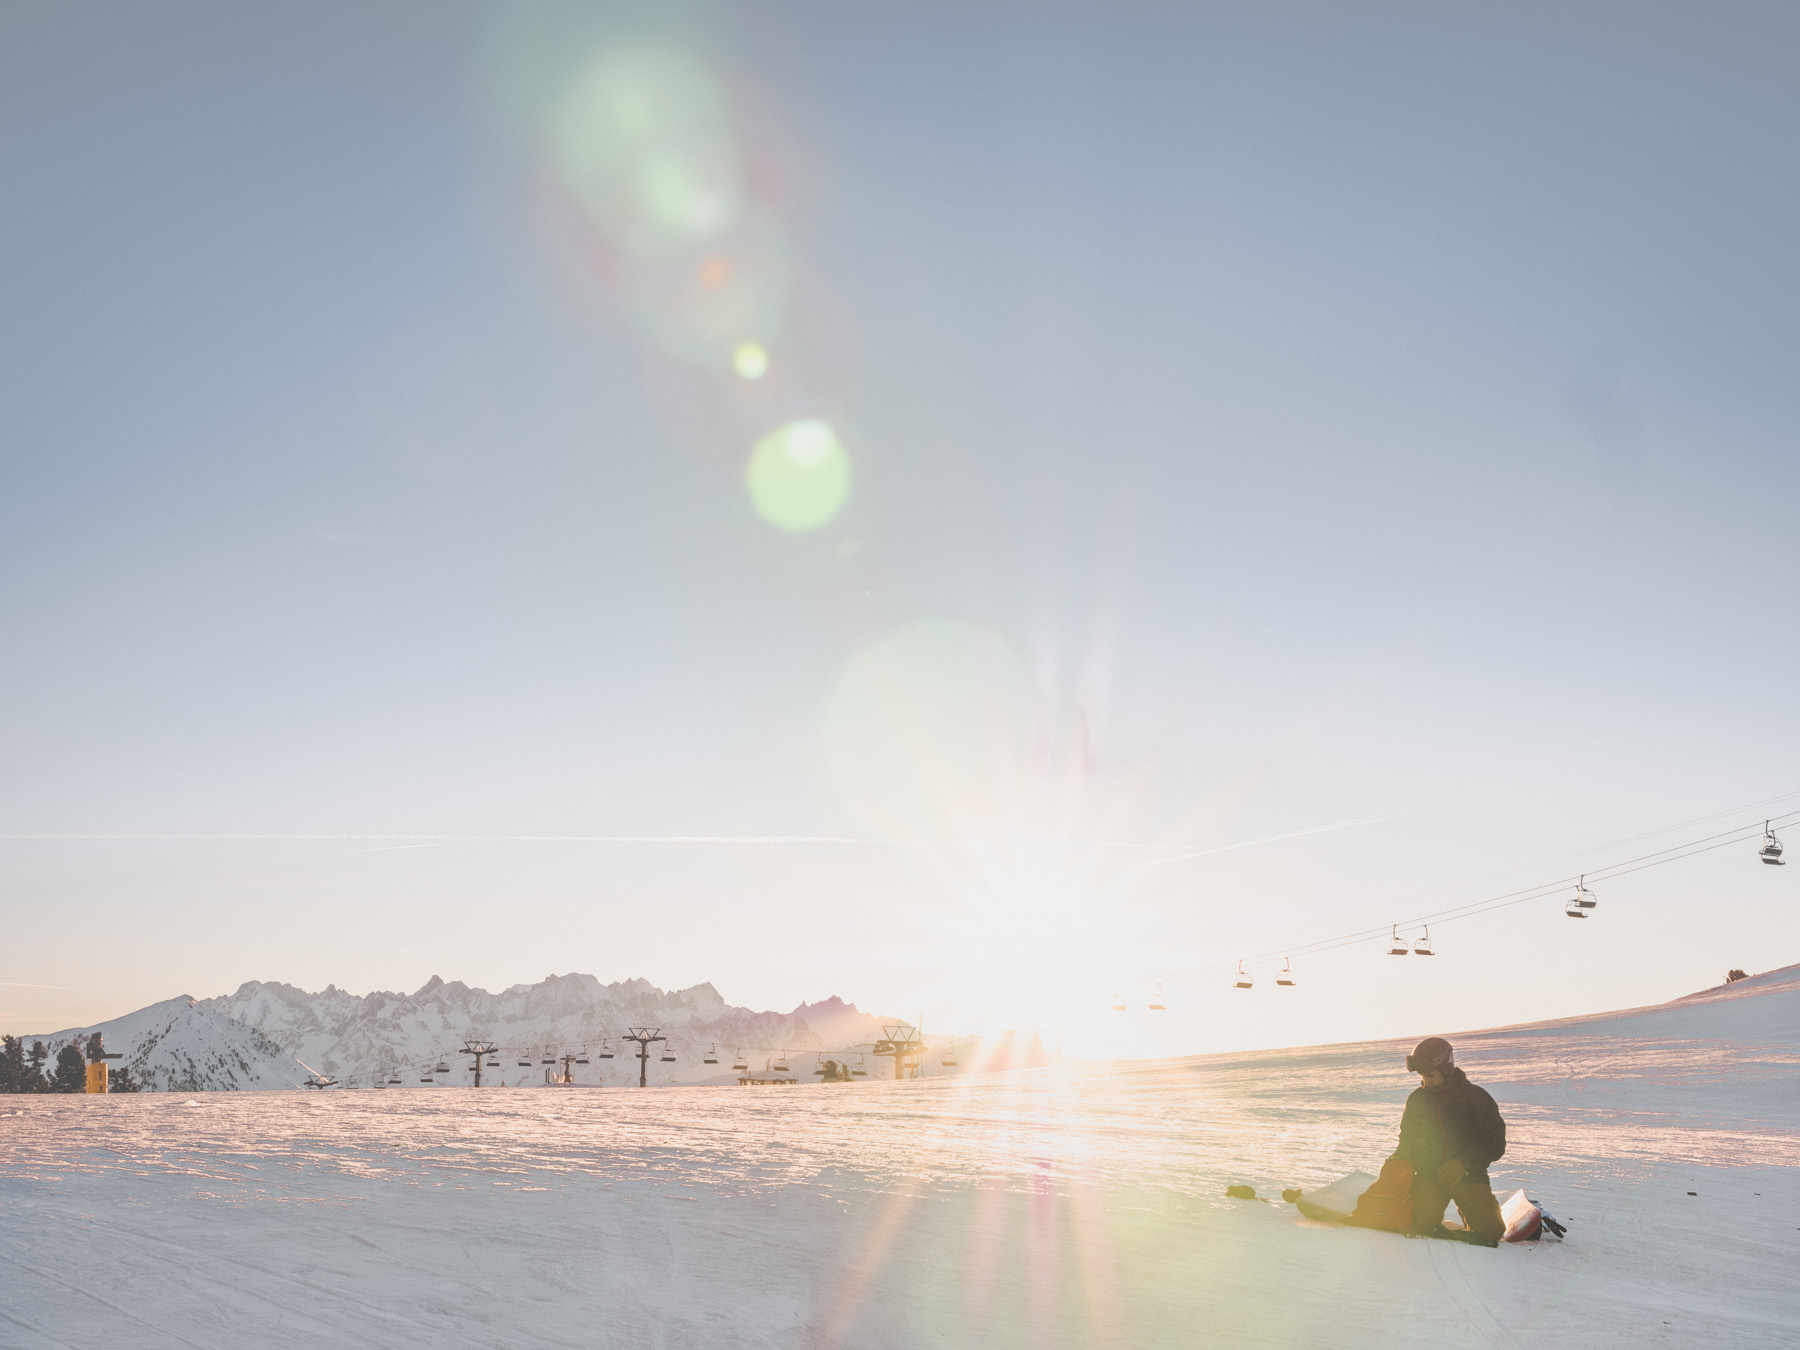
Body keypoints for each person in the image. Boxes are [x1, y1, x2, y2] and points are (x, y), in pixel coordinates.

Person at [1389, 1036, 1507, 1244]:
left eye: (1431, 1075)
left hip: (1468, 1176)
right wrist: (1398, 1162)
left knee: (1490, 1233)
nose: (1426, 1081)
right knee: (1418, 1226)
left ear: (1447, 1069)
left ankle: (1474, 1216)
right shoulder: (1417, 1099)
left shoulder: (1475, 1097)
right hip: (1429, 1177)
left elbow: (1495, 1142)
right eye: (1423, 1076)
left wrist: (1463, 1165)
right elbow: (1407, 1139)